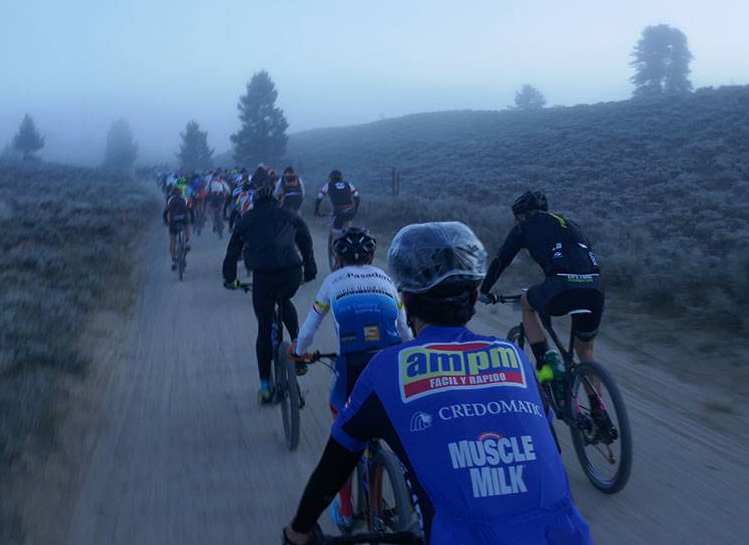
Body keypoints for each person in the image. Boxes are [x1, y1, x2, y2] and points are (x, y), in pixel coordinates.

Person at [282, 221, 593, 545]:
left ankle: (345, 510)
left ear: (407, 299)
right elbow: (548, 449)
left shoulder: (389, 367)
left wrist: (297, 534)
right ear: (474, 296)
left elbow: (335, 463)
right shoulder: (514, 357)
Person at [291, 227, 411, 530]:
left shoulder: (332, 281)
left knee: (342, 433)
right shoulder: (386, 280)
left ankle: (345, 511)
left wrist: (299, 352)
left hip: (352, 364)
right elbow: (406, 331)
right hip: (392, 361)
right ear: (371, 256)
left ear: (337, 257)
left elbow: (308, 330)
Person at [479, 191, 604, 378]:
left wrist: (484, 291)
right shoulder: (571, 224)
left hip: (561, 287)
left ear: (522, 215)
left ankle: (544, 366)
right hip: (594, 289)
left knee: (526, 303)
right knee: (585, 351)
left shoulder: (522, 229)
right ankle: (597, 406)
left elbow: (501, 261)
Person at [223, 185, 319, 404]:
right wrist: (310, 269)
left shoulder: (247, 219)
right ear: (276, 201)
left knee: (264, 327)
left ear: (255, 203)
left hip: (264, 278)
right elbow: (305, 240)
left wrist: (230, 278)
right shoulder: (289, 215)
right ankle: (298, 347)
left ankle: (266, 388)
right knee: (285, 299)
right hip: (291, 274)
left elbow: (232, 252)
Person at [314, 170, 360, 264]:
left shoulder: (328, 185)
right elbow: (357, 196)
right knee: (349, 224)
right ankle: (351, 242)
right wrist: (355, 209)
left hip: (338, 211)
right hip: (350, 209)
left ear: (331, 178)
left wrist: (316, 211)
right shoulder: (348, 184)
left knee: (335, 232)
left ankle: (336, 255)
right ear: (341, 177)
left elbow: (319, 198)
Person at [162, 186, 193, 270]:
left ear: (173, 192)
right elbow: (190, 209)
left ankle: (173, 260)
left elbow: (165, 212)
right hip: (183, 219)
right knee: (187, 226)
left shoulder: (170, 199)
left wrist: (166, 221)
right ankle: (186, 241)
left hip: (173, 221)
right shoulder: (184, 198)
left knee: (172, 239)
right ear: (180, 192)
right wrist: (192, 219)